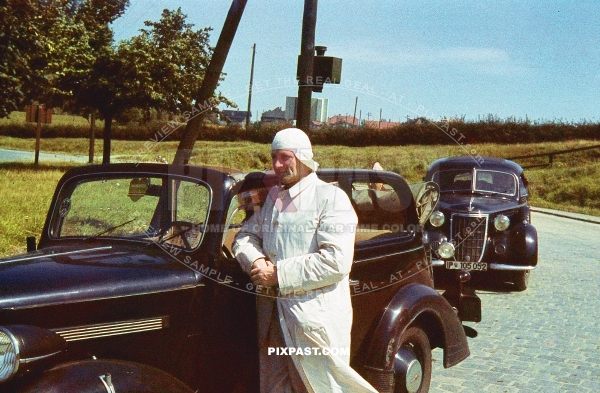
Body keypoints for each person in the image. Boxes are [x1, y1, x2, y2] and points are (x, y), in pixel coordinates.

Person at [233, 128, 378, 393]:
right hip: (273, 319)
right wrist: (255, 261)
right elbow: (245, 236)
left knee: (320, 388)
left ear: (303, 158)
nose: (277, 165)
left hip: (312, 321)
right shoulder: (276, 199)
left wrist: (278, 274)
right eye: (274, 157)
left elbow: (335, 261)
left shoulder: (331, 199)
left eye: (285, 157)